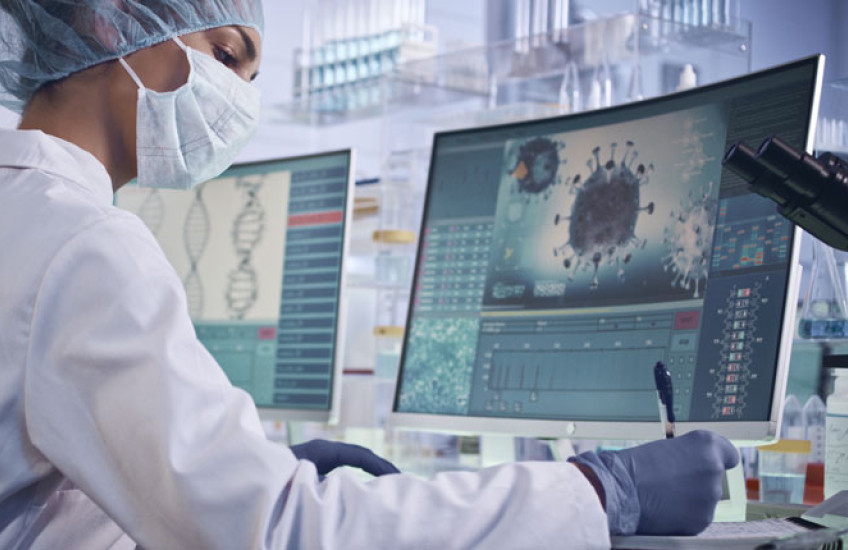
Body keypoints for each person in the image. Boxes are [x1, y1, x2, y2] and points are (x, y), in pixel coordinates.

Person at [0, 1, 739, 548]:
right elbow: (282, 535)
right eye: (225, 57)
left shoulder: (26, 212)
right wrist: (601, 492)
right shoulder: (87, 246)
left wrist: (237, 472)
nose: (238, 102)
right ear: (106, 23)